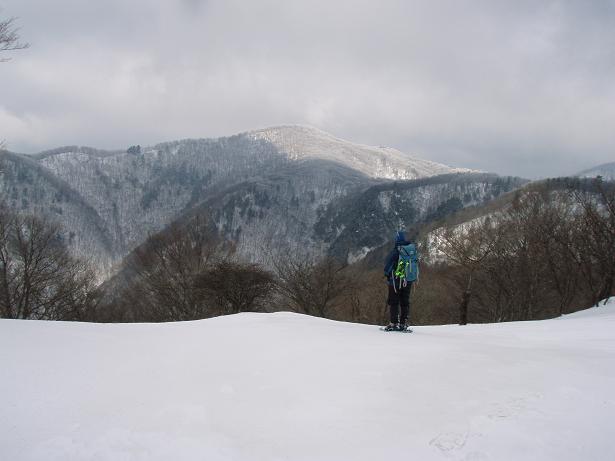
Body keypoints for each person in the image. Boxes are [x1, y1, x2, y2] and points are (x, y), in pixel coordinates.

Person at [383, 230, 415, 331]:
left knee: (394, 302)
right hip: (408, 280)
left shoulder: (396, 251)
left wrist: (387, 275)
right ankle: (403, 323)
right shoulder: (410, 251)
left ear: (396, 239)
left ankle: (393, 323)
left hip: (395, 281)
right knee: (405, 302)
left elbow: (388, 266)